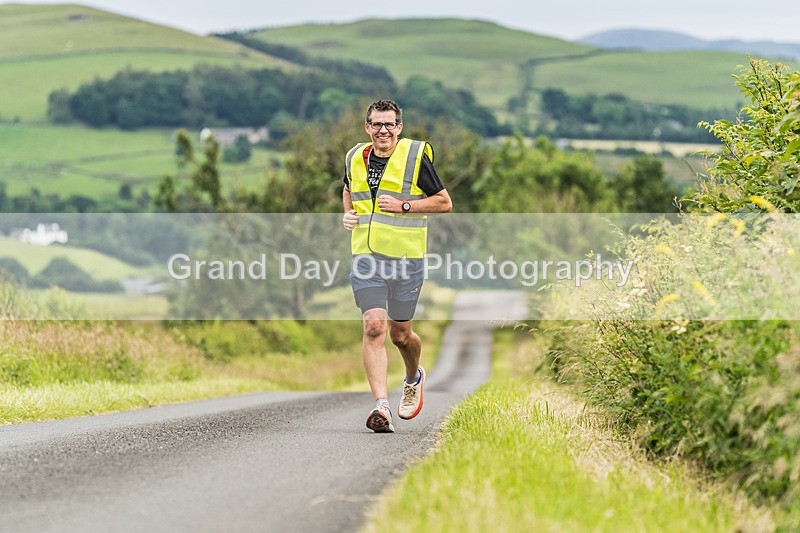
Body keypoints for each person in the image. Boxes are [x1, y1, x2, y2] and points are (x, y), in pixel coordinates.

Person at [342, 100, 452, 433]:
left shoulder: (415, 157)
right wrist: (347, 214)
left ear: (399, 128)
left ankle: (413, 376)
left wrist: (404, 206)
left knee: (400, 335)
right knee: (374, 326)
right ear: (367, 127)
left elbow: (444, 202)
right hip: (366, 257)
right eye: (376, 124)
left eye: (389, 124)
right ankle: (381, 406)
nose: (383, 130)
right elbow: (348, 189)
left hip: (406, 260)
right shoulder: (354, 157)